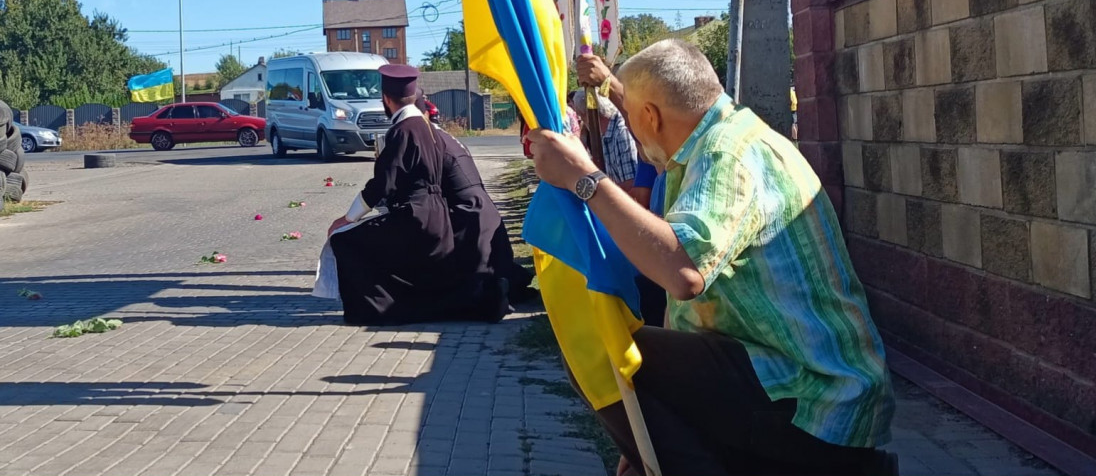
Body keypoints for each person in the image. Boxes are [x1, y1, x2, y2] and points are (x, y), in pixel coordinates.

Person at [529, 40, 897, 476]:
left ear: (650, 115)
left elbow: (682, 272)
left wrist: (583, 178)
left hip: (816, 397)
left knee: (598, 348)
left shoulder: (727, 153)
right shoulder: (721, 142)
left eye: (630, 116)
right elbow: (685, 307)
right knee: (624, 358)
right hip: (795, 379)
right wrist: (643, 430)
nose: (632, 128)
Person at [327, 64, 508, 325]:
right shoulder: (429, 129)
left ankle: (372, 310)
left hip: (415, 217)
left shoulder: (403, 131)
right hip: (437, 216)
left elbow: (382, 184)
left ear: (386, 100)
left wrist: (349, 218)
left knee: (347, 240)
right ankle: (482, 302)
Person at [416, 90, 534, 305]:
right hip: (481, 209)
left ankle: (493, 294)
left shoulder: (432, 140)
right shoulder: (446, 138)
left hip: (468, 216)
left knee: (471, 278)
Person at [571, 90, 637, 192]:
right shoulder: (605, 133)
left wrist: (597, 194)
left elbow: (631, 184)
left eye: (581, 116)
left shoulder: (621, 132)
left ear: (590, 114)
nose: (581, 122)